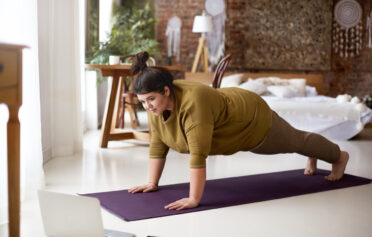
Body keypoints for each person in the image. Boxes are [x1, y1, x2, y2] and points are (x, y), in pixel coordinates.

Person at [128, 52, 349, 211]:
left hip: (251, 118)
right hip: (232, 113)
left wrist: (194, 199)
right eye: (143, 102)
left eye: (150, 100)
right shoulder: (156, 105)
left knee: (295, 141)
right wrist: (152, 182)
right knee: (297, 141)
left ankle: (338, 156)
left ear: (166, 90)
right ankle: (311, 151)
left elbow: (198, 154)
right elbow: (158, 142)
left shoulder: (194, 104)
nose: (147, 106)